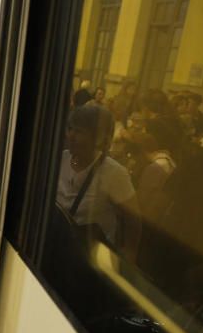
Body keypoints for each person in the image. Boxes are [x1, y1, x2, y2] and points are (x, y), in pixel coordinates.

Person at [56, 103, 140, 259]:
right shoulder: (60, 159)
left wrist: (127, 257)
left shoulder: (115, 173)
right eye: (70, 129)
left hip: (89, 257)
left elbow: (133, 222)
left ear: (99, 138)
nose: (71, 136)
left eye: (79, 131)